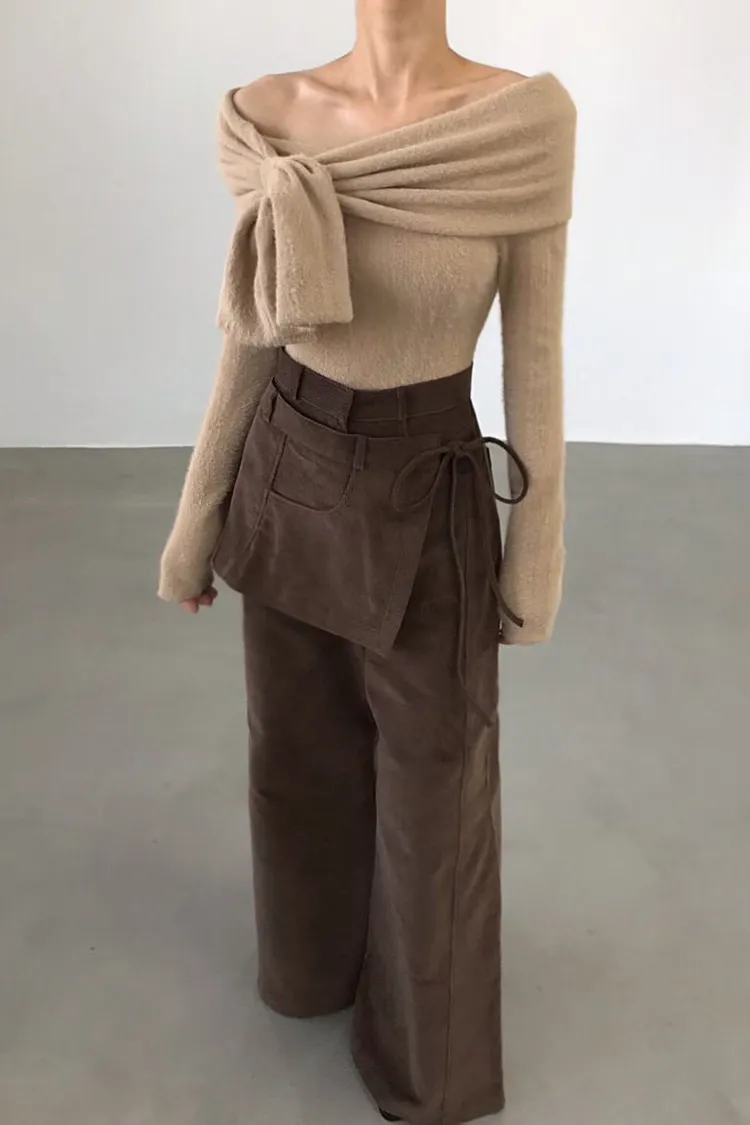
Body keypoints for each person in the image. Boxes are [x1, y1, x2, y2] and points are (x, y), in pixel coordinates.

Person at [158, 2, 577, 1122]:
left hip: (426, 488)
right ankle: (311, 970)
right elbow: (250, 336)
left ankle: (426, 1069)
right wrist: (197, 521)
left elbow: (535, 354)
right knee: (297, 758)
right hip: (287, 470)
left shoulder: (516, 127)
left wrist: (535, 556)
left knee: (437, 791)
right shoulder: (267, 119)